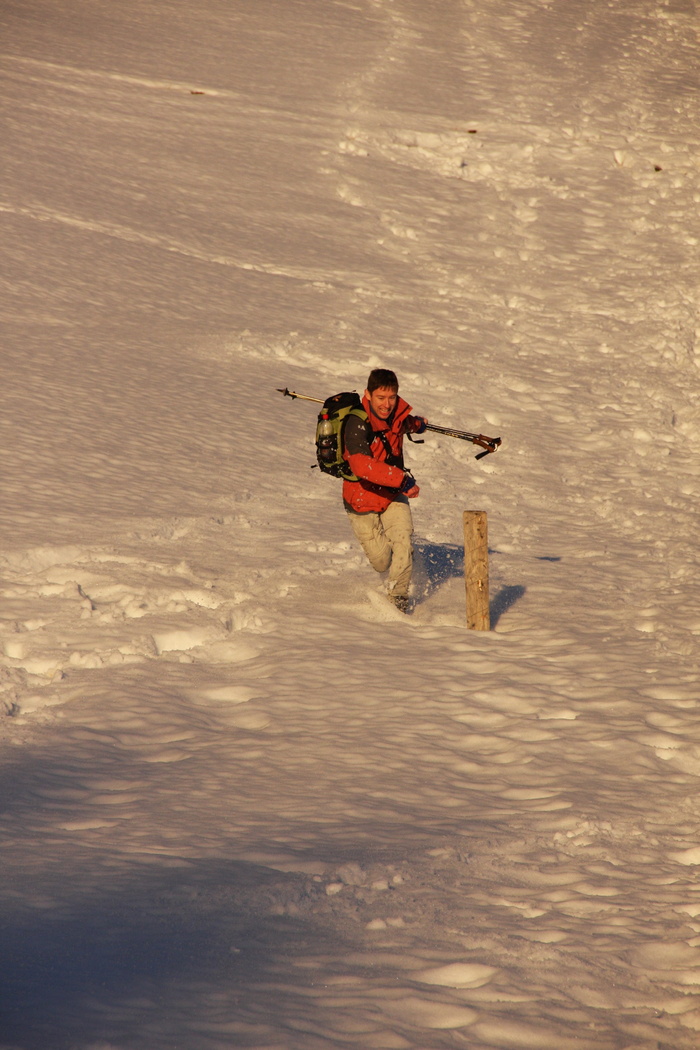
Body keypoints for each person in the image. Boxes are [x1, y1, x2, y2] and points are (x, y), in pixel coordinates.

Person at [342, 368, 427, 613]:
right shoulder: (356, 423)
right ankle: (395, 567)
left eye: (391, 397)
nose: (387, 404)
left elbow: (401, 422)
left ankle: (398, 601)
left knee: (403, 542)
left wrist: (416, 424)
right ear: (368, 395)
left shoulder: (396, 414)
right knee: (381, 562)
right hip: (361, 498)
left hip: (391, 494)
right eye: (380, 397)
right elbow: (361, 465)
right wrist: (402, 480)